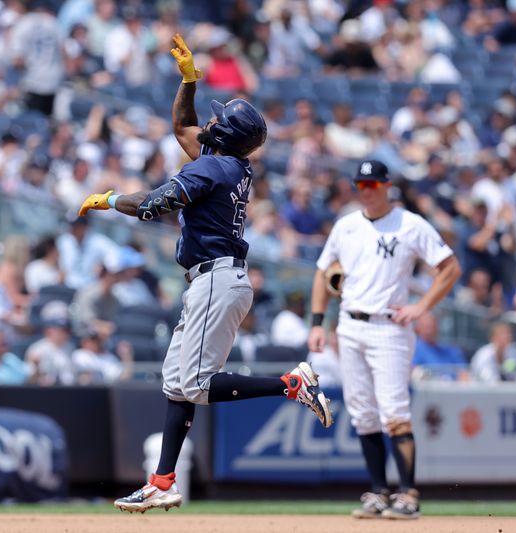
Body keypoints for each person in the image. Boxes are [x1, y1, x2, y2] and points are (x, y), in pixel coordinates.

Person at [78, 34, 332, 514]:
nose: (209, 121)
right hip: (215, 279)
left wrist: (111, 199)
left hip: (217, 279)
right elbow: (182, 125)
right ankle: (162, 480)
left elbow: (153, 205)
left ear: (226, 136)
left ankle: (291, 384)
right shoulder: (230, 165)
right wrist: (189, 81)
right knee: (177, 383)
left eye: (218, 119)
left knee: (192, 383)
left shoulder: (212, 169)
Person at [308, 160, 461, 520]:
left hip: (389, 328)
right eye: (361, 185)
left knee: (394, 411)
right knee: (362, 413)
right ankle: (378, 492)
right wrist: (317, 323)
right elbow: (321, 273)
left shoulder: (410, 224)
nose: (367, 191)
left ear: (387, 186)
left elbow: (450, 267)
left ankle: (408, 495)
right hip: (350, 324)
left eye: (373, 185)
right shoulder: (346, 226)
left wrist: (422, 305)